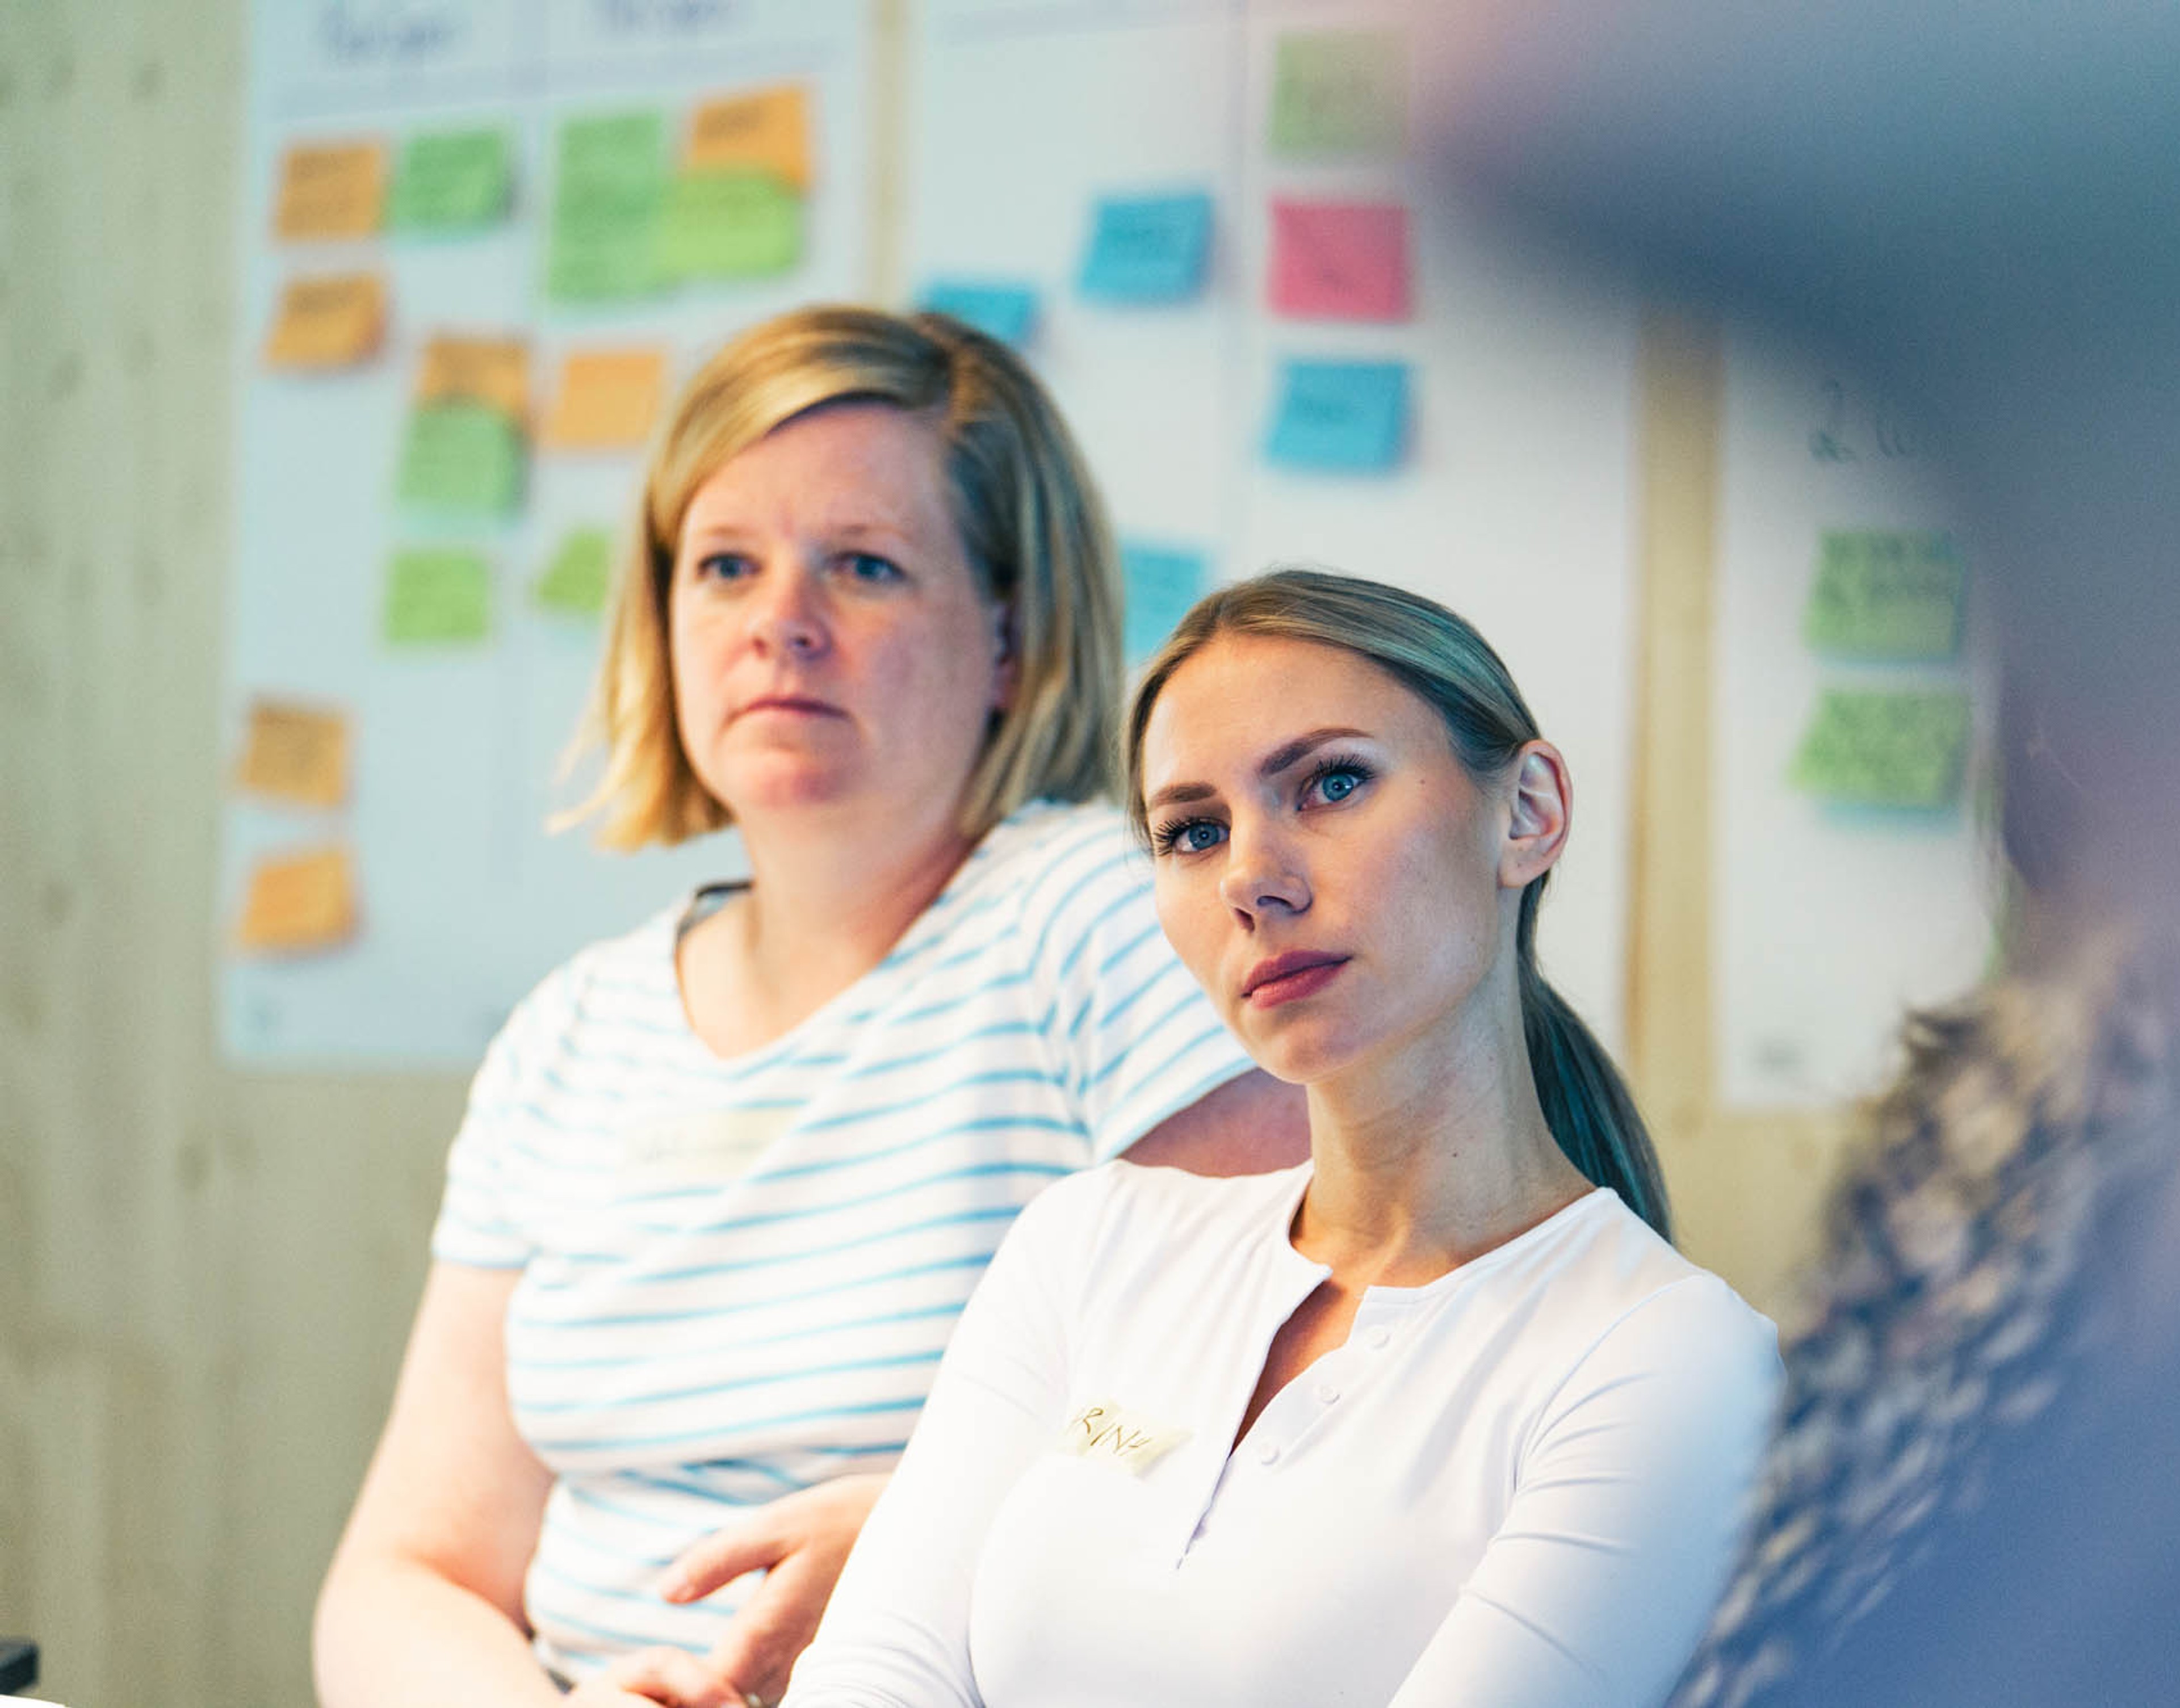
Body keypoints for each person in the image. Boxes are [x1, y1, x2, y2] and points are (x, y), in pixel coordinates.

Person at [312, 307, 1306, 1708]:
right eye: (725, 565)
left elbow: (1312, 1393)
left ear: (1012, 642)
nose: (781, 618)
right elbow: (411, 1571)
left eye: (864, 565)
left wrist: (946, 1528)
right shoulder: (569, 1034)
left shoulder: (1100, 920)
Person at [786, 568, 1782, 1708]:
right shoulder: (1088, 1242)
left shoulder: (1669, 1356)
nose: (1253, 878)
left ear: (1528, 812)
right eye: (1194, 830)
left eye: (1331, 783)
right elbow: (873, 1678)